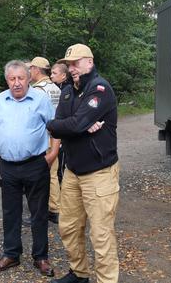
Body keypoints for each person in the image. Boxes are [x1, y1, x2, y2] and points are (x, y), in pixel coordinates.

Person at [46, 44, 120, 283]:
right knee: (68, 227)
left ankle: (106, 280)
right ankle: (79, 274)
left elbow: (73, 124)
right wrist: (79, 125)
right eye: (68, 64)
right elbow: (58, 124)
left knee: (101, 234)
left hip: (100, 173)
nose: (71, 68)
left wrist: (76, 124)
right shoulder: (68, 91)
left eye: (76, 63)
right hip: (72, 172)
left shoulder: (101, 89)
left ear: (89, 61)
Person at [0, 60, 58, 277]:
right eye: (12, 79)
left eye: (21, 78)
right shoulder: (0, 99)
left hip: (35, 164)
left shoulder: (40, 99)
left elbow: (56, 129)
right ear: (7, 80)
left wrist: (53, 154)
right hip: (7, 167)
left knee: (38, 213)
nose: (16, 83)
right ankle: (11, 254)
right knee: (10, 212)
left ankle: (41, 257)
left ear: (28, 78)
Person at [29, 56, 62, 224]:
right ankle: (54, 208)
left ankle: (39, 211)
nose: (29, 72)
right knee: (53, 174)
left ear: (36, 69)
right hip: (55, 136)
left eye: (31, 69)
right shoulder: (55, 88)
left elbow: (33, 117)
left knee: (38, 176)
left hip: (42, 139)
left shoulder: (37, 90)